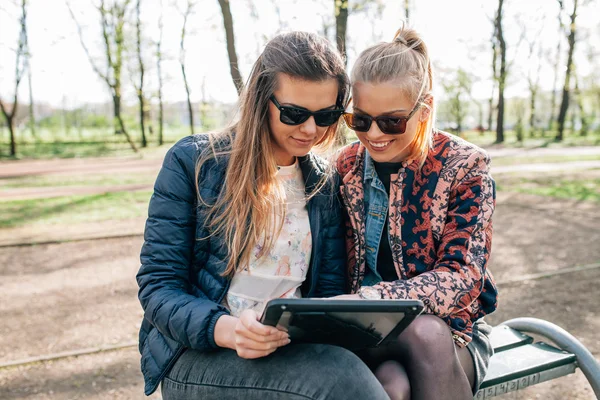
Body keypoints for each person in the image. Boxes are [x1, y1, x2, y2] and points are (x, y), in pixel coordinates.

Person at [136, 31, 391, 399]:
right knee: (342, 380)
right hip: (199, 354)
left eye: (326, 115)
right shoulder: (194, 163)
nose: (310, 130)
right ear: (260, 99)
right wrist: (226, 329)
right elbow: (159, 286)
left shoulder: (324, 183)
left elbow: (328, 291)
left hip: (293, 350)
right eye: (294, 113)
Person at [336, 26, 499, 400]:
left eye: (391, 121)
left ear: (423, 108)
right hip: (366, 335)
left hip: (452, 336)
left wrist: (374, 298)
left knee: (423, 337)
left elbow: (462, 276)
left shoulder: (464, 166)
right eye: (359, 120)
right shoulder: (343, 167)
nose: (373, 134)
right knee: (393, 387)